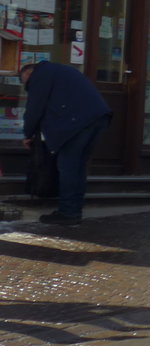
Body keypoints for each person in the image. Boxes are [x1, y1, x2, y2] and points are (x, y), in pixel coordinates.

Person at [20, 59, 112, 226]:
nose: (29, 88)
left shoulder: (41, 74)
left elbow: (35, 106)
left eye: (27, 84)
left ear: (28, 74)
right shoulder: (60, 71)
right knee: (78, 167)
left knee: (68, 166)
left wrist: (28, 133)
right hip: (98, 118)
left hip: (76, 123)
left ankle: (68, 212)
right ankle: (74, 209)